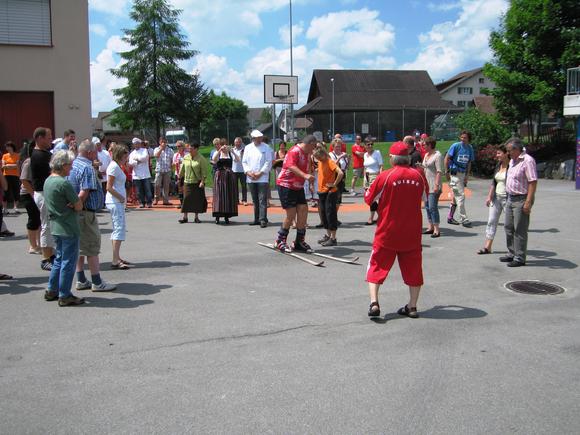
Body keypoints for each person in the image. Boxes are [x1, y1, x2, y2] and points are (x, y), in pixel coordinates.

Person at [364, 141, 425, 319]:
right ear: (407, 158)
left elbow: (369, 199)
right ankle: (412, 306)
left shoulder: (385, 176)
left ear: (392, 158)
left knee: (376, 266)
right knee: (414, 269)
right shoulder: (418, 176)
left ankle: (374, 303)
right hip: (412, 232)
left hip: (387, 231)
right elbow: (425, 198)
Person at [67, 139, 116, 291]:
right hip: (85, 212)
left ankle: (81, 279)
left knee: (80, 248)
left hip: (76, 213)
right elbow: (84, 191)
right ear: (89, 153)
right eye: (95, 152)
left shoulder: (73, 164)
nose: (97, 155)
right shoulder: (87, 167)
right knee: (92, 247)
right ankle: (97, 281)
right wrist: (77, 205)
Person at [43, 150, 85, 306]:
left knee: (59, 260)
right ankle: (65, 295)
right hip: (68, 227)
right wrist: (75, 204)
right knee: (68, 262)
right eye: (69, 165)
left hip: (55, 226)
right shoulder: (63, 183)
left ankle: (52, 289)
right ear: (62, 165)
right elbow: (78, 205)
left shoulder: (48, 181)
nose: (71, 168)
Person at [274, 134, 317, 252]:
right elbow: (290, 166)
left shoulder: (307, 154)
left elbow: (308, 169)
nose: (314, 149)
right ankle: (280, 240)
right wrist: (305, 175)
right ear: (309, 144)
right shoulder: (295, 151)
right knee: (291, 214)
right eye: (313, 146)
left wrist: (310, 182)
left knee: (303, 211)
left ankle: (299, 241)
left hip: (298, 186)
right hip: (286, 185)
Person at [501, 138, 537, 267]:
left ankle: (520, 257)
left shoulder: (528, 160)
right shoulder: (513, 160)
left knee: (520, 229)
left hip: (521, 198)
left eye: (509, 150)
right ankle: (512, 253)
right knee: (508, 227)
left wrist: (528, 202)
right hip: (510, 198)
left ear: (516, 149)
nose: (508, 153)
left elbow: (532, 182)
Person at [30, 127, 55, 270]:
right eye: (48, 137)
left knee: (51, 225)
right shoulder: (39, 155)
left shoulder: (45, 153)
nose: (51, 139)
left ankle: (51, 255)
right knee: (47, 226)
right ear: (40, 138)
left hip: (46, 192)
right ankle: (46, 258)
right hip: (43, 193)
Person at [478, 144, 510, 255]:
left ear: (506, 153)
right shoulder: (498, 165)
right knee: (491, 221)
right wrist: (489, 196)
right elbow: (494, 182)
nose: (497, 155)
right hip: (496, 198)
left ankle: (513, 249)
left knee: (509, 225)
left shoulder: (512, 166)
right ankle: (487, 247)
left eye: (499, 153)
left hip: (508, 199)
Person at [106, 144, 131, 270]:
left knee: (117, 229)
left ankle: (117, 257)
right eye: (124, 156)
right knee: (119, 229)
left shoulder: (116, 166)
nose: (126, 158)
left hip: (116, 202)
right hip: (115, 202)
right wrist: (120, 197)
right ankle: (115, 260)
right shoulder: (114, 167)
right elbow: (109, 187)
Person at [314, 145, 344, 247]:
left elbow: (340, 173)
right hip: (321, 191)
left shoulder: (330, 161)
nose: (317, 159)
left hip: (330, 192)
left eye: (318, 157)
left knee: (330, 214)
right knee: (324, 214)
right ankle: (328, 235)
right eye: (316, 157)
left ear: (323, 154)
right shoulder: (320, 162)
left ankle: (333, 238)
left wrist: (334, 184)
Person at [242, 130, 273, 228]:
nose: (260, 139)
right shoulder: (248, 148)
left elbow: (268, 161)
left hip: (262, 177)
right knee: (255, 200)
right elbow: (244, 162)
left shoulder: (266, 147)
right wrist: (248, 172)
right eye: (257, 138)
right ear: (253, 139)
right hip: (251, 177)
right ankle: (256, 219)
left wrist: (261, 172)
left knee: (262, 199)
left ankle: (263, 219)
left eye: (260, 138)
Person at [444, 130, 475, 227]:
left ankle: (450, 217)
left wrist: (467, 176)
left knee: (456, 196)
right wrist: (446, 172)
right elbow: (446, 158)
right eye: (461, 137)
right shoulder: (456, 146)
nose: (463, 139)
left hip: (462, 174)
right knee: (460, 196)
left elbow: (469, 162)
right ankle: (464, 219)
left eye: (465, 138)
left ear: (469, 139)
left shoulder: (470, 148)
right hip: (454, 174)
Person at [19, 141, 41, 253]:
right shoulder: (29, 162)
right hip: (28, 194)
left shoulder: (38, 160)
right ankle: (33, 246)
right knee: (34, 219)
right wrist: (33, 194)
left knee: (39, 219)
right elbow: (24, 180)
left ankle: (39, 244)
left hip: (36, 193)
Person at [178, 143, 208, 224]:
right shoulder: (186, 157)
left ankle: (196, 217)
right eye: (189, 148)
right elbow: (182, 168)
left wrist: (202, 182)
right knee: (186, 200)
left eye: (191, 148)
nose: (189, 150)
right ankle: (185, 217)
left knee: (196, 200)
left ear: (196, 149)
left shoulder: (201, 158)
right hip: (187, 182)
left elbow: (204, 172)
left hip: (197, 183)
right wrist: (179, 177)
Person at [211, 138, 238, 224]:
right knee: (219, 196)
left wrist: (233, 151)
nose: (224, 146)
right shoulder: (218, 153)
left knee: (228, 195)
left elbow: (238, 160)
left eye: (226, 144)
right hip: (220, 176)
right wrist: (219, 150)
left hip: (229, 176)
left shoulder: (230, 153)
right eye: (223, 145)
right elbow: (214, 160)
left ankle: (227, 216)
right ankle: (217, 217)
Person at [422, 136, 444, 238]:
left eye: (425, 145)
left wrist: (436, 185)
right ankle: (430, 227)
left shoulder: (437, 156)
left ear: (430, 145)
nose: (423, 146)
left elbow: (439, 171)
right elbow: (426, 167)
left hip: (433, 185)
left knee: (432, 207)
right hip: (426, 185)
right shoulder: (426, 155)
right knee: (427, 207)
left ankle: (436, 229)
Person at [362, 138, 383, 225]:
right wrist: (364, 178)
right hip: (367, 176)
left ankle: (371, 218)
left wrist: (380, 177)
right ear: (365, 146)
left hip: (375, 176)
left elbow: (381, 166)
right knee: (369, 197)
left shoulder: (377, 153)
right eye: (368, 144)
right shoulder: (365, 154)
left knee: (372, 197)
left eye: (371, 144)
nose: (370, 146)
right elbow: (365, 167)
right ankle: (381, 215)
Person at [128, 137, 153, 208]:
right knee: (139, 190)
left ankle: (149, 202)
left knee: (147, 189)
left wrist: (136, 159)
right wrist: (138, 162)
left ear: (140, 144)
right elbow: (130, 162)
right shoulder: (132, 153)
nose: (136, 145)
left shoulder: (144, 150)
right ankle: (142, 202)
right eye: (135, 144)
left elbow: (145, 158)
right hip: (136, 175)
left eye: (137, 143)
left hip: (145, 174)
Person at [153, 137, 174, 205]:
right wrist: (161, 149)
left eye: (165, 142)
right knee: (157, 185)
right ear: (159, 142)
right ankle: (156, 199)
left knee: (166, 186)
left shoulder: (170, 150)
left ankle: (165, 200)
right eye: (162, 142)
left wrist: (171, 166)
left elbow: (172, 160)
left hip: (167, 170)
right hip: (159, 170)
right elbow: (156, 156)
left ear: (166, 142)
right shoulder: (156, 149)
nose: (163, 143)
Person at [2, 141, 20, 215]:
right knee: (6, 191)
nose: (7, 148)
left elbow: (17, 166)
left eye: (8, 146)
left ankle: (15, 207)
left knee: (16, 191)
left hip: (15, 175)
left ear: (12, 147)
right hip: (6, 175)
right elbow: (3, 166)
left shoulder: (17, 155)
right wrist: (12, 165)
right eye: (6, 147)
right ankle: (5, 208)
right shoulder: (4, 156)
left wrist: (7, 165)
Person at [94, 137, 111, 208]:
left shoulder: (106, 152)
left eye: (99, 144)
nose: (98, 146)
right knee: (100, 190)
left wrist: (107, 171)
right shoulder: (94, 154)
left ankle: (106, 202)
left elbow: (110, 162)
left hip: (106, 174)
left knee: (106, 189)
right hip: (99, 175)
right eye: (97, 145)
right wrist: (99, 172)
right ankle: (101, 203)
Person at [231, 137, 247, 205]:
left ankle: (244, 200)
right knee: (235, 186)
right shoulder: (232, 150)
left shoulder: (244, 150)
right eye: (236, 142)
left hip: (243, 170)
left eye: (239, 142)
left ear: (241, 142)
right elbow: (235, 160)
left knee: (244, 186)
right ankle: (236, 200)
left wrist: (240, 154)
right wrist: (234, 153)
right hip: (234, 170)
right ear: (234, 143)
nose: (238, 143)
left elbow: (241, 159)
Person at [172, 141, 187, 207]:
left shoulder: (186, 154)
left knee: (185, 189)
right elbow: (172, 164)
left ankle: (186, 203)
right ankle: (182, 203)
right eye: (177, 146)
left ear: (183, 146)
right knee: (180, 189)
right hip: (177, 173)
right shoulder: (175, 155)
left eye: (179, 146)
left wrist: (182, 162)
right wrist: (175, 163)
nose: (178, 147)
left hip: (185, 173)